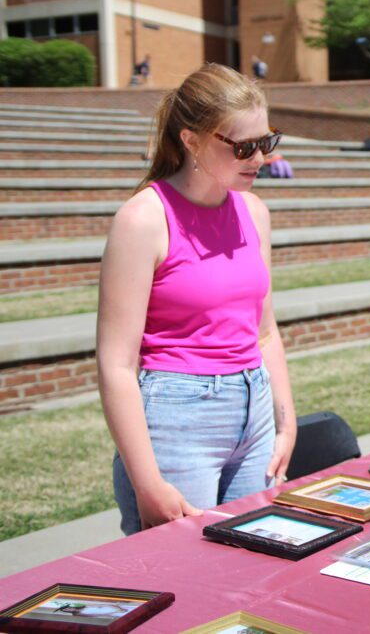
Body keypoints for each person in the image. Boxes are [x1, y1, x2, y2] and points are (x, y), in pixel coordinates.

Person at [97, 63, 296, 535]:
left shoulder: (254, 211)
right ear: (191, 141)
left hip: (254, 410)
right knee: (181, 583)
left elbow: (264, 331)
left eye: (266, 142)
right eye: (244, 147)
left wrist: (285, 423)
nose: (260, 159)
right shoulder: (143, 219)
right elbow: (116, 364)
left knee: (249, 569)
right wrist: (146, 483)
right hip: (178, 418)